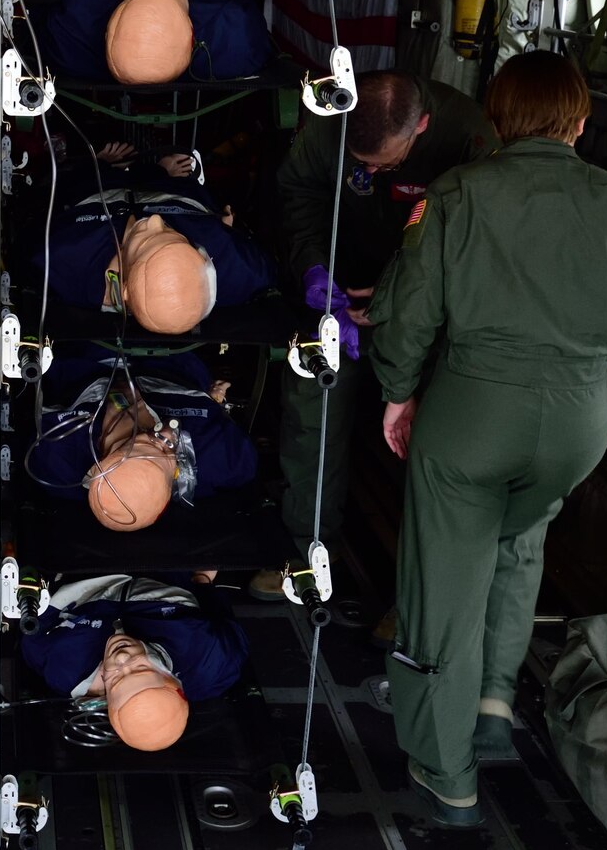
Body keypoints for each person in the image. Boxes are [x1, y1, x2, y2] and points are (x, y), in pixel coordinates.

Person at [366, 52, 607, 828]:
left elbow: (407, 318)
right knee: (519, 539)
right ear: (579, 120)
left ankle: (446, 770)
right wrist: (600, 411)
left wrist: (399, 394)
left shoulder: (458, 195)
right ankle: (496, 704)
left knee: (445, 578)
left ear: (497, 120)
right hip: (577, 423)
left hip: (475, 409)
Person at [261, 71, 498, 599]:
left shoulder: (469, 136)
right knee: (313, 410)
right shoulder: (329, 119)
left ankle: (416, 588)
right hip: (337, 294)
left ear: (423, 127)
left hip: (429, 310)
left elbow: (478, 241)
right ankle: (308, 552)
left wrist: (397, 298)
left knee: (425, 441)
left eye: (382, 161)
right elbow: (297, 192)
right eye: (361, 162)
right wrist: (313, 270)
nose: (369, 170)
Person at [26, 344, 258, 531]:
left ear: (100, 465)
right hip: (172, 348)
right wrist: (215, 402)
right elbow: (243, 458)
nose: (167, 434)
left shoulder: (56, 456)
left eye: (147, 441)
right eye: (170, 453)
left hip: (84, 349)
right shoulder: (220, 460)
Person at [37, 157, 274, 335]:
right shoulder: (239, 269)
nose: (155, 221)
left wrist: (99, 165)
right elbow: (264, 268)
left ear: (125, 288)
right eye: (174, 234)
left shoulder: (59, 258)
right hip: (170, 186)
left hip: (99, 180)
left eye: (145, 241)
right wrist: (227, 232)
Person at [19, 575, 250, 750]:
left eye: (117, 678)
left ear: (102, 698)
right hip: (166, 565)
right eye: (140, 668)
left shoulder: (63, 666)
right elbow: (218, 606)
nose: (120, 658)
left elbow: (32, 625)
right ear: (171, 676)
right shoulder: (215, 660)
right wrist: (202, 581)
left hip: (80, 569)